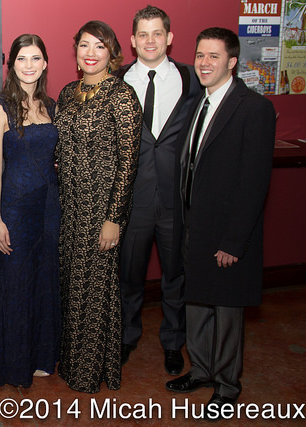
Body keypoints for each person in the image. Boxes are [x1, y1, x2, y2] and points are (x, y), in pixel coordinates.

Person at [165, 27, 275, 418]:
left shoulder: (254, 109)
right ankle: (202, 370)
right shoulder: (198, 102)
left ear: (232, 61)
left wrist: (234, 241)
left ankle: (228, 384)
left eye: (214, 56)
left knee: (226, 309)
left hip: (227, 233)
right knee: (196, 303)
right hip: (194, 225)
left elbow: (254, 183)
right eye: (200, 55)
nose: (204, 63)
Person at [55, 21, 141, 393]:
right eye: (84, 45)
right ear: (75, 50)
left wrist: (114, 219)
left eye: (99, 46)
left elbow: (128, 162)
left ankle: (90, 371)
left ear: (112, 52)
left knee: (97, 288)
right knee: (72, 284)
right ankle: (70, 361)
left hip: (101, 208)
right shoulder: (67, 93)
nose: (90, 53)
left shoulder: (122, 96)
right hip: (70, 206)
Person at [115, 5, 201, 374]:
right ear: (132, 40)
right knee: (128, 276)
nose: (150, 40)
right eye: (143, 34)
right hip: (132, 200)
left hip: (175, 201)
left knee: (175, 277)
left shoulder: (192, 78)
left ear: (169, 37)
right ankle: (126, 337)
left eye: (157, 33)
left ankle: (173, 342)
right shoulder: (115, 82)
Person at [0, 34, 61, 388]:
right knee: (16, 283)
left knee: (45, 280)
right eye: (21, 59)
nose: (28, 66)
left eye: (35, 58)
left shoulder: (52, 106)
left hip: (49, 208)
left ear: (45, 63)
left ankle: (42, 355)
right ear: (11, 65)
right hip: (14, 209)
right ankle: (14, 363)